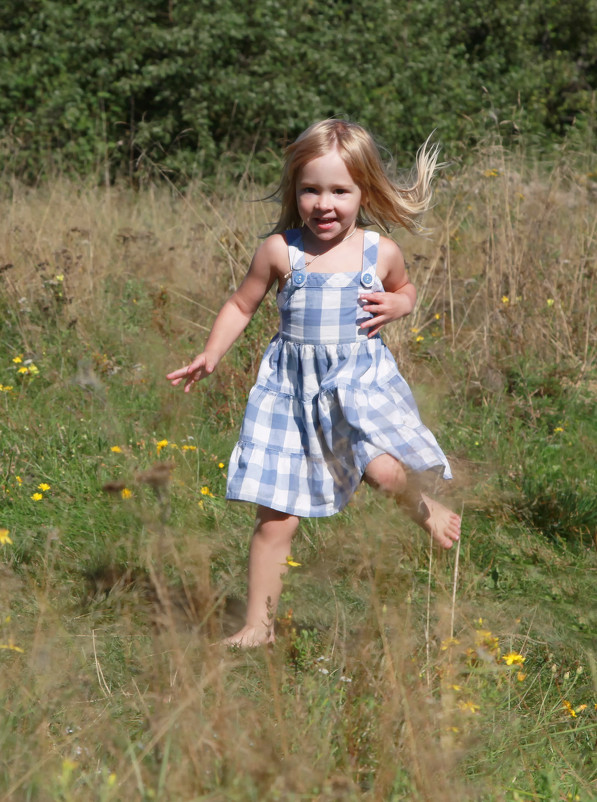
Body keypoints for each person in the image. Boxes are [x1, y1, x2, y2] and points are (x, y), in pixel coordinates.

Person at [167, 119, 461, 647]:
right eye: (310, 190)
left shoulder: (379, 252)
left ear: (363, 192)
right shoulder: (282, 251)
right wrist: (211, 353)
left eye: (339, 191)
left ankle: (427, 507)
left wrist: (399, 304)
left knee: (386, 474)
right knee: (275, 515)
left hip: (356, 387)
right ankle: (258, 626)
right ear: (294, 191)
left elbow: (406, 289)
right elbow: (241, 304)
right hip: (292, 395)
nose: (324, 204)